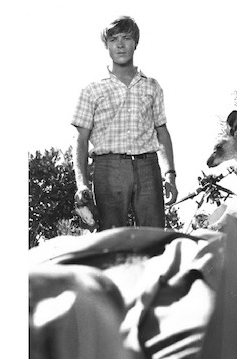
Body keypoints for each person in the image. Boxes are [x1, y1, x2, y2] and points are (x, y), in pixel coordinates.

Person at [72, 16, 178, 230]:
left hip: (148, 167)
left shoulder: (152, 86)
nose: (120, 44)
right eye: (113, 40)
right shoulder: (92, 90)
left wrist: (170, 175)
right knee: (111, 238)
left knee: (154, 237)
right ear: (107, 45)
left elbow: (162, 133)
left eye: (126, 38)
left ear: (135, 43)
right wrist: (82, 184)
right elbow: (81, 140)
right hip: (108, 169)